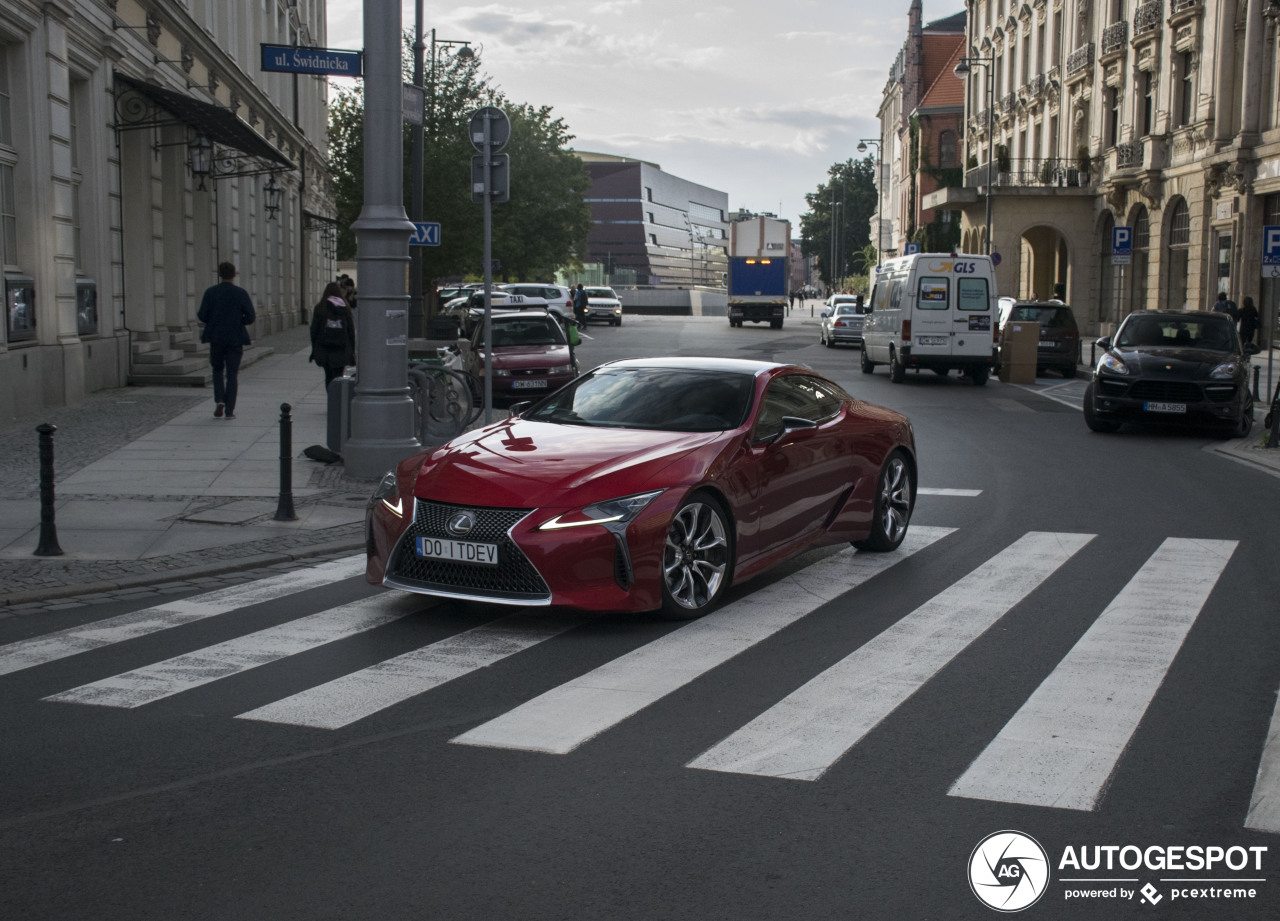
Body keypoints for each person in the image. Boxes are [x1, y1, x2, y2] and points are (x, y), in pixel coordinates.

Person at [197, 262, 255, 419]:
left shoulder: (211, 292)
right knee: (232, 373)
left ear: (220, 274)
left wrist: (215, 320)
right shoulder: (240, 293)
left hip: (216, 337)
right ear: (234, 274)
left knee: (217, 370)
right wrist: (238, 321)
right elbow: (251, 316)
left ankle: (220, 400)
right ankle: (230, 410)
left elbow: (202, 315)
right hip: (235, 337)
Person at [310, 282, 356, 387]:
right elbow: (351, 332)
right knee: (339, 376)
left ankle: (331, 399)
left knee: (328, 376)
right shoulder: (345, 308)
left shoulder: (320, 307)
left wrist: (314, 349)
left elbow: (314, 330)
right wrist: (351, 351)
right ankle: (337, 399)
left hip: (326, 349)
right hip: (341, 349)